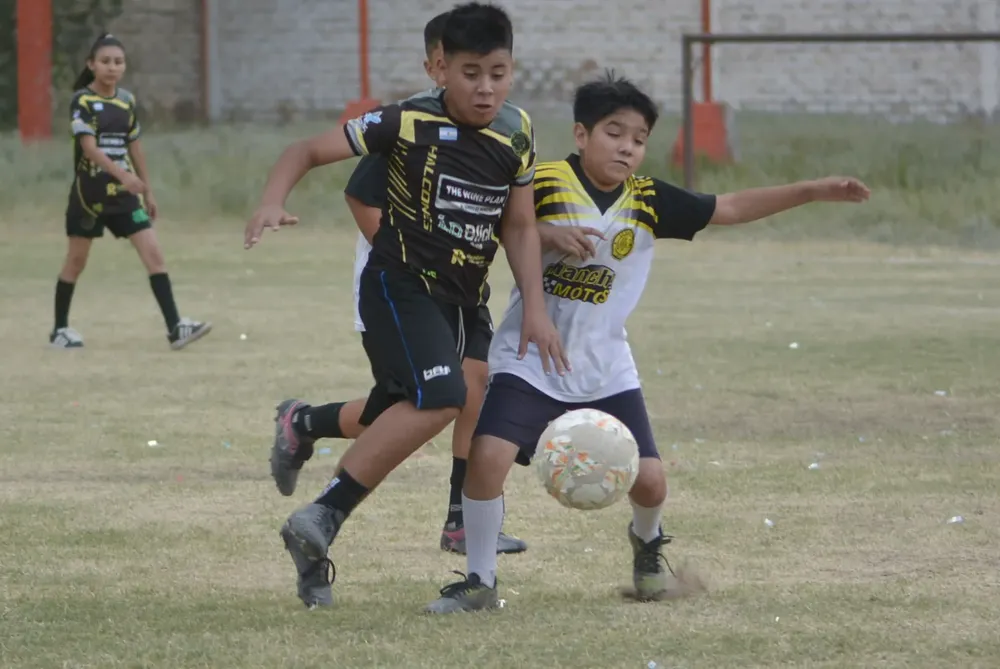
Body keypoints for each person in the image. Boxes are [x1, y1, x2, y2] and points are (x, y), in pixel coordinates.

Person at [425, 72, 871, 613]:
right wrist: (544, 234)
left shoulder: (648, 200)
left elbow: (726, 208)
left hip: (606, 365)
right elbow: (494, 221)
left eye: (639, 139)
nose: (628, 147)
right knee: (488, 458)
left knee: (652, 483)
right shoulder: (541, 182)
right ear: (582, 134)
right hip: (531, 357)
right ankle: (479, 581)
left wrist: (813, 190)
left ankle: (647, 549)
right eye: (615, 133)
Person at [244, 2, 567, 609]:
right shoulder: (405, 121)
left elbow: (520, 227)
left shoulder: (516, 132)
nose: (486, 86)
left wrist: (537, 307)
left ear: (513, 71)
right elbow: (305, 152)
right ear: (441, 69)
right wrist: (270, 200)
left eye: (498, 72)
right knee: (441, 398)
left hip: (466, 296)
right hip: (403, 286)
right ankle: (324, 515)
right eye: (471, 72)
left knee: (437, 400)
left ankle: (325, 498)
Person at [52, 33, 211, 350]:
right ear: (92, 65)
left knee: (154, 253)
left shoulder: (126, 101)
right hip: (90, 196)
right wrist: (124, 175)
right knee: (76, 261)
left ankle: (175, 328)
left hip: (125, 196)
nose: (112, 67)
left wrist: (147, 190)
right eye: (106, 61)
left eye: (118, 62)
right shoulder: (82, 101)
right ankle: (59, 330)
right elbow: (89, 149)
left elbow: (135, 147)